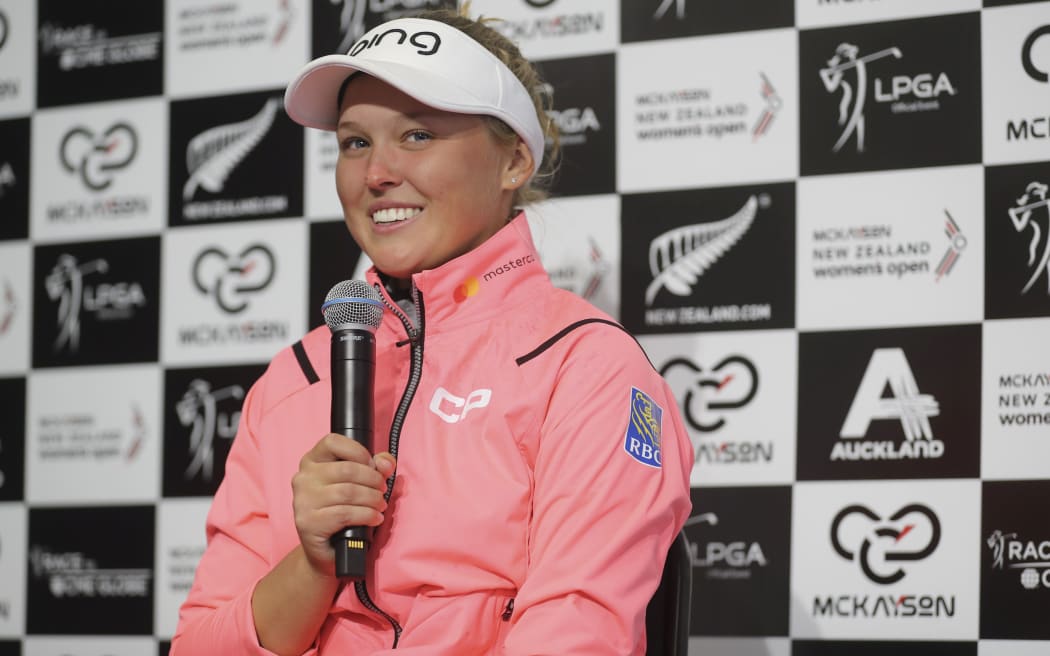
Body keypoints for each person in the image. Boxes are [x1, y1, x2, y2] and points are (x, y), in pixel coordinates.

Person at [171, 6, 692, 655]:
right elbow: (199, 645)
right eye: (355, 142)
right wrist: (311, 565)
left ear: (514, 162)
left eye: (417, 135)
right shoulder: (293, 379)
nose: (376, 173)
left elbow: (575, 634)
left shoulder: (586, 366)